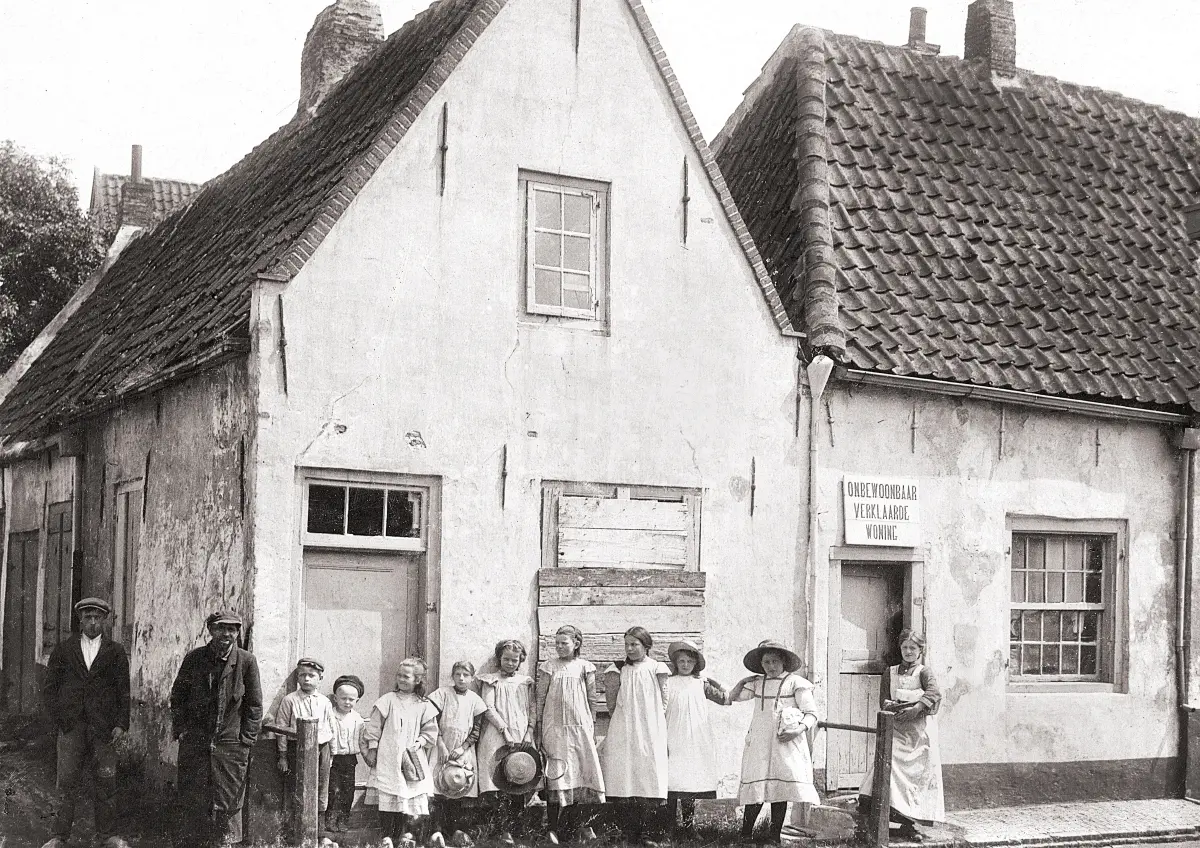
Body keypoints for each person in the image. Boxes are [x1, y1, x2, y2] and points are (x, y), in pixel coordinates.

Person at [40, 597, 131, 848]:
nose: (92, 622)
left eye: (97, 618)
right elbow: (50, 689)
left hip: (103, 728)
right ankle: (59, 836)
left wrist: (121, 724)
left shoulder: (115, 652)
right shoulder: (64, 650)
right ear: (80, 620)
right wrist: (61, 720)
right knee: (66, 782)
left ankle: (107, 836)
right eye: (88, 617)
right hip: (72, 726)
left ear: (105, 620)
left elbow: (123, 690)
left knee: (106, 781)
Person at [170, 609, 263, 847]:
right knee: (194, 795)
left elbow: (254, 704)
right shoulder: (194, 658)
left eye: (231, 630)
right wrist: (181, 728)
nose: (226, 634)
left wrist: (247, 739)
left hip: (231, 743)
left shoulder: (246, 661)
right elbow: (178, 696)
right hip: (197, 740)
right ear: (211, 630)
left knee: (229, 798)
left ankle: (225, 844)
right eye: (221, 628)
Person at [729, 639, 820, 846]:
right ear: (761, 664)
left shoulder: (795, 683)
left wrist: (797, 730)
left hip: (784, 742)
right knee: (757, 787)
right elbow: (733, 697)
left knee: (780, 789)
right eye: (766, 662)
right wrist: (742, 682)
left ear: (784, 662)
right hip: (760, 742)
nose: (771, 666)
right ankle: (745, 835)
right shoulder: (757, 683)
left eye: (775, 661)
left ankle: (773, 836)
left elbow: (812, 714)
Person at [858, 630, 944, 841]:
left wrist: (915, 709)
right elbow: (884, 700)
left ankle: (909, 824)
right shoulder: (891, 672)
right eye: (904, 647)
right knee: (885, 769)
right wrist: (895, 707)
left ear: (920, 651)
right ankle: (876, 823)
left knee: (912, 778)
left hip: (917, 734)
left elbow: (934, 693)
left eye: (912, 648)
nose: (908, 652)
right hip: (895, 730)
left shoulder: (924, 672)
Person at [599, 627, 670, 845]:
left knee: (648, 775)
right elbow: (611, 703)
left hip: (651, 729)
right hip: (624, 728)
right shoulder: (618, 669)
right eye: (627, 644)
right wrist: (624, 720)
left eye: (634, 644)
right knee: (625, 776)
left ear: (646, 646)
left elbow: (664, 702)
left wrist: (652, 723)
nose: (629, 649)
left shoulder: (657, 668)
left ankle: (647, 832)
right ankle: (627, 831)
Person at [536, 625, 605, 842]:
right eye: (556, 643)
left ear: (576, 644)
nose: (559, 647)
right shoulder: (549, 667)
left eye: (563, 643)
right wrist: (538, 725)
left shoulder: (585, 667)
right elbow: (540, 698)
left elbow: (592, 699)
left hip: (580, 728)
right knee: (556, 774)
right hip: (554, 728)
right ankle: (553, 828)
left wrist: (591, 725)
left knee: (579, 773)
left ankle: (578, 826)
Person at [363, 657, 440, 848]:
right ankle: (388, 836)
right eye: (399, 676)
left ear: (417, 680)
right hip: (389, 755)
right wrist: (373, 748)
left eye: (406, 677)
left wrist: (420, 741)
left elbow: (430, 731)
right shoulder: (388, 700)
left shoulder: (423, 704)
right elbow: (374, 727)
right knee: (389, 795)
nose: (402, 680)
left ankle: (408, 835)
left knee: (411, 796)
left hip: (412, 758)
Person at [662, 639, 728, 836]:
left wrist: (713, 680)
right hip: (672, 735)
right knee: (671, 782)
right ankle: (670, 828)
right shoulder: (667, 682)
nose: (684, 665)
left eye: (689, 662)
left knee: (689, 782)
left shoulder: (701, 684)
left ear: (695, 664)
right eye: (681, 661)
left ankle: (689, 827)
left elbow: (725, 699)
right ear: (675, 663)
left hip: (694, 738)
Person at [428, 660, 496, 847]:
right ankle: (436, 832)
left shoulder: (475, 700)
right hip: (441, 747)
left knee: (458, 788)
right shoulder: (442, 694)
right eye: (457, 674)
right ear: (452, 676)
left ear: (472, 678)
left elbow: (476, 730)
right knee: (438, 789)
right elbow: (431, 720)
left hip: (462, 751)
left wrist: (463, 747)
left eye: (465, 675)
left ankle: (455, 831)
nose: (461, 678)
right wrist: (440, 743)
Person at [476, 640, 536, 844]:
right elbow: (488, 707)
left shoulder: (525, 682)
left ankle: (517, 829)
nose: (510, 663)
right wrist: (504, 731)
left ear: (520, 661)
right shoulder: (491, 681)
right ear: (499, 659)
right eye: (506, 659)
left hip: (521, 735)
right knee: (498, 781)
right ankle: (500, 831)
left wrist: (529, 732)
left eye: (514, 660)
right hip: (497, 734)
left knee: (520, 777)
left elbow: (532, 709)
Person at [276, 657, 338, 838]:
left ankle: (318, 831)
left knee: (321, 787)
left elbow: (331, 727)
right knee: (298, 788)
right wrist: (282, 755)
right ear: (297, 678)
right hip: (298, 750)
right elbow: (281, 728)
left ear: (320, 678)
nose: (307, 679)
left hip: (322, 750)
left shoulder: (325, 702)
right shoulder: (290, 700)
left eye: (312, 675)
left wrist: (331, 754)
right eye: (302, 675)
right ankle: (297, 831)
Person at [328, 674, 367, 833]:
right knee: (332, 791)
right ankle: (330, 819)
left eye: (351, 699)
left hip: (350, 760)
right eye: (343, 698)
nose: (347, 702)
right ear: (335, 698)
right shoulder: (330, 715)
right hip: (332, 759)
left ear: (357, 700)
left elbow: (362, 741)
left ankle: (343, 819)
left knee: (347, 792)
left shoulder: (358, 719)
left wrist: (368, 757)